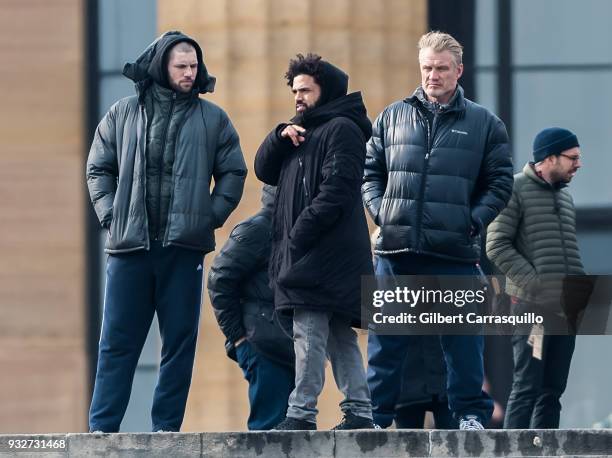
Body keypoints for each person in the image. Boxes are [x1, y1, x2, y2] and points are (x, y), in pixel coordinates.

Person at [86, 31, 247, 432]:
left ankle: (165, 432)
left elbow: (233, 171)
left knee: (179, 345)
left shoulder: (213, 119)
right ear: (163, 66)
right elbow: (98, 168)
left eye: (194, 66)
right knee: (117, 345)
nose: (190, 73)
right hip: (129, 251)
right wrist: (111, 216)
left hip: (183, 250)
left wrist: (207, 217)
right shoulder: (122, 113)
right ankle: (101, 431)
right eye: (182, 66)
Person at [362, 31, 513, 430]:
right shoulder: (391, 116)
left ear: (458, 71)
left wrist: (472, 220)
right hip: (396, 250)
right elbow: (370, 174)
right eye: (427, 68)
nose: (433, 75)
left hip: (454, 250)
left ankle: (468, 415)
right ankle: (375, 418)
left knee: (462, 340)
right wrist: (383, 213)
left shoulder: (484, 123)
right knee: (386, 342)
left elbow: (500, 183)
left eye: (441, 68)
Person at [254, 53, 375, 430]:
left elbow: (336, 192)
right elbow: (263, 170)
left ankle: (301, 413)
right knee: (339, 335)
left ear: (327, 91)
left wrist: (298, 235)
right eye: (295, 91)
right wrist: (279, 137)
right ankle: (359, 410)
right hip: (311, 253)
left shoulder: (342, 129)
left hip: (322, 254)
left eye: (305, 89)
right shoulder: (302, 133)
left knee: (308, 332)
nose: (298, 97)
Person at [486, 127, 585, 429]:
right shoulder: (514, 189)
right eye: (573, 158)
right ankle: (510, 452)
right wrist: (536, 284)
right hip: (532, 309)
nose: (578, 164)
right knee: (528, 386)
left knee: (553, 390)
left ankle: (547, 451)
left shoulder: (565, 199)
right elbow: (495, 244)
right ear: (550, 158)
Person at [208, 185, 295, 430]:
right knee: (268, 434)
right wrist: (238, 337)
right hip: (264, 345)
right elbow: (219, 280)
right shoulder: (258, 228)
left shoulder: (297, 230)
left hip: (289, 346)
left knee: (293, 438)